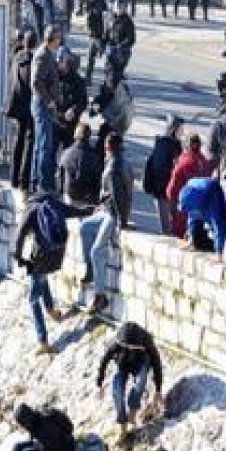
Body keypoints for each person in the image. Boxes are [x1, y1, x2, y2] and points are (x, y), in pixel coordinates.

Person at [14, 191, 89, 353]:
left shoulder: (31, 209)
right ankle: (52, 311)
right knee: (41, 278)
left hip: (41, 256)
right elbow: (75, 211)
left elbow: (20, 233)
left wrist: (18, 256)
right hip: (57, 254)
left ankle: (43, 341)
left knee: (33, 299)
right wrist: (93, 209)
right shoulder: (55, 204)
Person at [79, 132, 133, 314]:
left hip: (113, 214)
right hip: (106, 210)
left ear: (108, 148)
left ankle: (100, 296)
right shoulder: (119, 161)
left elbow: (117, 196)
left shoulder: (113, 168)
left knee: (96, 250)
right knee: (84, 227)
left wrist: (120, 221)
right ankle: (90, 269)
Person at [96, 322, 164, 444]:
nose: (129, 347)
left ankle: (132, 414)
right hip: (123, 363)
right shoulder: (117, 341)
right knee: (117, 390)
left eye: (131, 346)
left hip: (141, 363)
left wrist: (158, 390)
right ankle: (122, 424)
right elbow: (104, 360)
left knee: (139, 384)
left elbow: (156, 364)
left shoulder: (146, 340)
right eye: (126, 346)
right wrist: (99, 384)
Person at [30, 27, 62, 193]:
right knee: (44, 146)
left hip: (44, 105)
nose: (60, 41)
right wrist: (49, 100)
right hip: (43, 106)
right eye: (58, 38)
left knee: (40, 145)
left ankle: (36, 181)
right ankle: (42, 185)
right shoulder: (43, 55)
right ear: (52, 39)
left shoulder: (47, 54)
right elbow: (36, 82)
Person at [11, 403, 76, 451]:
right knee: (17, 447)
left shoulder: (44, 426)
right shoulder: (35, 419)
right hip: (48, 445)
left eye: (22, 425)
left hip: (62, 450)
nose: (22, 427)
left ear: (26, 422)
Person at [143, 115, 184, 235]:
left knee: (172, 226)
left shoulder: (169, 144)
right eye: (180, 129)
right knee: (167, 229)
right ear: (173, 129)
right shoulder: (167, 145)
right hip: (164, 191)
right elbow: (160, 170)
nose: (182, 132)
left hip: (167, 190)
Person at [165, 134, 210, 239]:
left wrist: (171, 204)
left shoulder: (183, 163)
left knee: (179, 237)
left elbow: (172, 189)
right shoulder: (204, 162)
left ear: (187, 146)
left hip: (183, 209)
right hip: (200, 211)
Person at [6, 33, 36, 191]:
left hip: (16, 106)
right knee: (28, 142)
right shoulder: (31, 61)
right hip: (27, 107)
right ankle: (23, 180)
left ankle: (13, 178)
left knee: (18, 142)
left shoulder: (17, 57)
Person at [57, 123, 102, 209]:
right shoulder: (95, 156)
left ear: (75, 136)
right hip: (86, 197)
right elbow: (97, 182)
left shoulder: (66, 153)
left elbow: (60, 176)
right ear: (88, 137)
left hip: (69, 194)